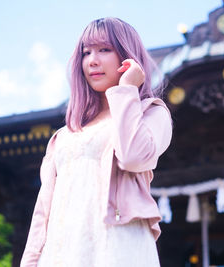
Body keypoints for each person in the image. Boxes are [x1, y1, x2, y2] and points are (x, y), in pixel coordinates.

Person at [20, 17, 172, 267]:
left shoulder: (151, 113)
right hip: (61, 252)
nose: (92, 60)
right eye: (86, 52)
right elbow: (42, 212)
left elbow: (133, 156)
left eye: (104, 49)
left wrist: (127, 91)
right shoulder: (64, 134)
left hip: (118, 247)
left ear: (127, 56)